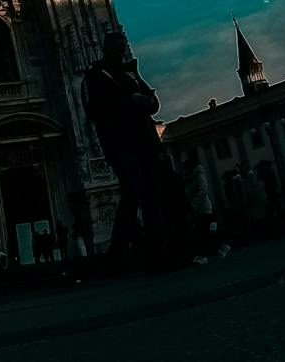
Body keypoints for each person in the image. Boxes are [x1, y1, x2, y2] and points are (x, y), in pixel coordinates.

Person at [83, 31, 168, 269]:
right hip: (120, 143)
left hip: (144, 140)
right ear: (107, 50)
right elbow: (95, 109)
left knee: (152, 195)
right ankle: (117, 252)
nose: (121, 54)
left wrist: (149, 102)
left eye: (123, 49)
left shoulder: (131, 72)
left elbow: (153, 102)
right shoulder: (95, 74)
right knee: (133, 193)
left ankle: (156, 252)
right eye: (117, 50)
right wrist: (128, 102)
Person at [183, 156, 229, 261]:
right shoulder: (189, 179)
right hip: (197, 211)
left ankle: (219, 246)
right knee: (204, 231)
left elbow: (203, 190)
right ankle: (215, 248)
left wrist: (193, 204)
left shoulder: (199, 175)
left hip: (204, 209)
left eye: (186, 167)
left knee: (209, 229)